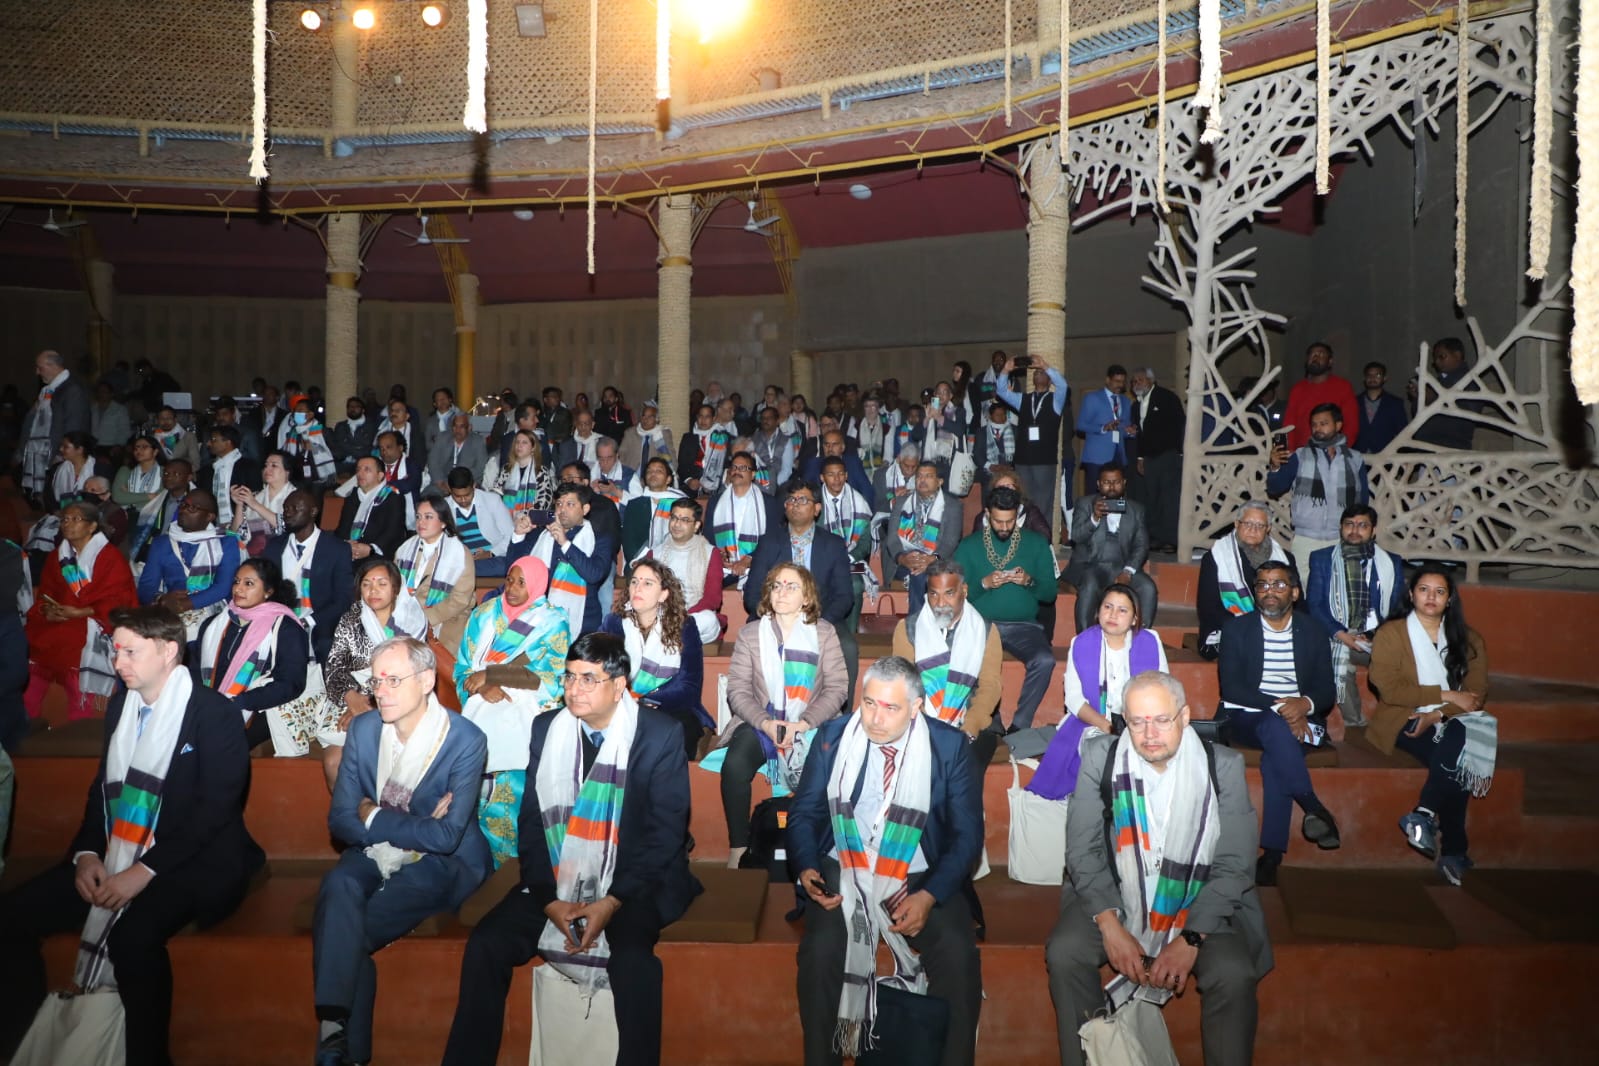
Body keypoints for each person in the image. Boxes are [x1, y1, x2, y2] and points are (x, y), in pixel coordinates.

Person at [0, 604, 264, 1066]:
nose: (118, 663)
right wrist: (85, 854)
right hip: (116, 850)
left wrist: (143, 871)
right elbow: (102, 791)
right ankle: (22, 1047)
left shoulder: (214, 713)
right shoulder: (123, 703)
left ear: (168, 652)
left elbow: (215, 810)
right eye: (115, 651)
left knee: (133, 937)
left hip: (194, 860)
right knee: (10, 916)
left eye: (130, 652)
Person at [440, 632, 702, 1066]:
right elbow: (532, 823)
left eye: (588, 679)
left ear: (619, 687)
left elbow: (665, 835)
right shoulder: (549, 728)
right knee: (487, 943)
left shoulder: (658, 734)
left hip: (633, 880)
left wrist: (611, 902)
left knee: (633, 961)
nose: (573, 690)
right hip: (559, 876)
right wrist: (548, 901)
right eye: (568, 678)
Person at [1045, 671, 1272, 1066]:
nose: (1150, 733)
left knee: (1233, 973)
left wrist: (1192, 939)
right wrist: (1109, 925)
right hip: (1117, 896)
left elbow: (1235, 864)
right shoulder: (1102, 757)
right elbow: (1082, 849)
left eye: (1161, 720)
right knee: (1065, 952)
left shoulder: (1223, 767)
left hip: (1198, 904)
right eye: (1138, 721)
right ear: (1125, 722)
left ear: (1184, 717)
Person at [791, 656, 984, 1066]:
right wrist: (807, 867)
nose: (875, 718)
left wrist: (930, 896)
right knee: (820, 950)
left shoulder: (948, 747)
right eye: (869, 703)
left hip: (918, 873)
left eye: (890, 707)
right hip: (843, 864)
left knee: (957, 954)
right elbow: (804, 814)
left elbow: (968, 838)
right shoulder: (832, 735)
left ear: (916, 707)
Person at [311, 637, 489, 1066]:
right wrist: (419, 823)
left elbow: (446, 839)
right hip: (375, 850)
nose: (381, 691)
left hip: (444, 863)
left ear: (427, 680)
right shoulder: (366, 729)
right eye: (376, 681)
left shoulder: (464, 739)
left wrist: (374, 815)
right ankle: (335, 1031)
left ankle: (338, 1047)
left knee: (344, 931)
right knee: (339, 884)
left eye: (394, 679)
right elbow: (340, 820)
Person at [714, 563, 848, 868]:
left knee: (826, 767)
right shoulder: (750, 634)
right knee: (734, 764)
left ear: (806, 597)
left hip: (812, 723)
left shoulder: (825, 633)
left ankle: (823, 847)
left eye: (791, 586)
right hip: (762, 721)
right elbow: (737, 691)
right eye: (776, 585)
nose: (781, 591)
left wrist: (802, 724)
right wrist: (765, 722)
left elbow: (838, 688)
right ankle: (739, 846)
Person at [1216, 560, 1341, 885]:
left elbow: (1326, 689)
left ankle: (1271, 856)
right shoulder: (1236, 629)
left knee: (1277, 756)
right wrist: (1285, 707)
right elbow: (1233, 687)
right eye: (1263, 585)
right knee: (1276, 728)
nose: (1269, 591)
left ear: (1295, 592)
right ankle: (1313, 806)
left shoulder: (1312, 631)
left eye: (1279, 584)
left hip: (1298, 718)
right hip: (1246, 714)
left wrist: (1304, 705)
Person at [1368, 564, 1492, 885]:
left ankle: (1423, 815)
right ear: (1411, 595)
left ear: (1450, 599)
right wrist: (1447, 695)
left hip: (1451, 721)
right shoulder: (1391, 633)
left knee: (1457, 743)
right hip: (1403, 717)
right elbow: (1389, 688)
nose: (1431, 597)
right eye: (1424, 590)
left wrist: (1437, 714)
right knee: (1459, 754)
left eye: (1439, 591)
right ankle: (1454, 851)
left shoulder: (1470, 640)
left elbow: (1475, 698)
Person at [453, 556, 570, 867]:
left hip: (525, 711)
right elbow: (463, 668)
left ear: (536, 585)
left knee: (512, 787)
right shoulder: (484, 614)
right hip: (480, 708)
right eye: (509, 580)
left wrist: (493, 676)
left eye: (522, 583)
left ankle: (516, 866)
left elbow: (551, 678)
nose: (513, 589)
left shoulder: (552, 621)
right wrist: (478, 685)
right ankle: (476, 862)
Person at [1028, 585, 1170, 801]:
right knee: (1105, 750)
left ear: (1134, 618)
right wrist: (1107, 726)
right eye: (1108, 607)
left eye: (1122, 610)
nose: (1113, 615)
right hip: (1094, 721)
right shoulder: (1082, 643)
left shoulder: (1150, 641)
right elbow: (1074, 700)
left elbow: (1164, 690)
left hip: (1143, 721)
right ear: (1098, 611)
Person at [318, 559, 430, 791]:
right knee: (332, 761)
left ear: (396, 588)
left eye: (381, 583)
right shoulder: (351, 620)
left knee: (380, 761)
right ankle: (350, 823)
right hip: (351, 698)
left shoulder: (412, 622)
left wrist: (368, 703)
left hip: (399, 703)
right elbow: (334, 667)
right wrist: (352, 699)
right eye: (367, 584)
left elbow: (410, 677)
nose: (373, 590)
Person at [953, 486, 1057, 733]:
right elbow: (955, 595)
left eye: (1010, 521)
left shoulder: (1036, 543)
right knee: (970, 659)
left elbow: (1050, 593)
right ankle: (990, 719)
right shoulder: (969, 546)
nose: (1004, 527)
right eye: (998, 521)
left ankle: (1020, 725)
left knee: (1045, 660)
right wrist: (983, 584)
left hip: (1024, 626)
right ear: (987, 514)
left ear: (1018, 514)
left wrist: (1029, 581)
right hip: (982, 624)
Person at [23, 499, 137, 724]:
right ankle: (23, 727)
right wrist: (48, 611)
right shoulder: (57, 556)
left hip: (95, 620)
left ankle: (81, 724)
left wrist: (80, 611)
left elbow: (120, 599)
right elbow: (46, 593)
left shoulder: (110, 557)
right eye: (65, 519)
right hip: (61, 619)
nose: (68, 524)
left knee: (70, 646)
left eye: (76, 519)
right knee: (33, 648)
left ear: (92, 526)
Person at [743, 478, 857, 698]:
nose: (795, 504)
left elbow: (844, 596)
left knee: (848, 648)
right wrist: (778, 619)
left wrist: (816, 622)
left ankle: (840, 721)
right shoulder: (769, 542)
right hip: (775, 616)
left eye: (803, 499)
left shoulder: (833, 544)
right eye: (791, 499)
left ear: (817, 509)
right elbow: (752, 595)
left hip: (820, 617)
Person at [891, 560, 1003, 774]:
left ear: (964, 591)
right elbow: (903, 686)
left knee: (963, 770)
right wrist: (929, 729)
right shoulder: (908, 629)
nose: (941, 603)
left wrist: (969, 727)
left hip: (971, 722)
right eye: (934, 594)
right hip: (919, 721)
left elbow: (990, 687)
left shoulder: (986, 631)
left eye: (949, 593)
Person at [193, 556, 313, 754]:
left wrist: (239, 702)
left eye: (249, 584)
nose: (239, 589)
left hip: (258, 709)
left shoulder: (285, 629)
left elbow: (291, 684)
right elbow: (195, 672)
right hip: (210, 705)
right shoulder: (214, 624)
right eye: (236, 582)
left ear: (269, 591)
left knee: (216, 745)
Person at [602, 558, 713, 761]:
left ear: (664, 594)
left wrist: (646, 700)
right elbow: (604, 673)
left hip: (672, 707)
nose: (638, 588)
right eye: (634, 582)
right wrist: (630, 701)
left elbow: (689, 687)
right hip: (622, 704)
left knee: (670, 735)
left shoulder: (684, 627)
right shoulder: (614, 623)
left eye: (647, 583)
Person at [1305, 504, 1405, 726]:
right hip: (1338, 636)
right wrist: (1341, 634)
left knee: (1398, 662)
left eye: (1362, 525)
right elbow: (1315, 605)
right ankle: (1355, 723)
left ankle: (1394, 719)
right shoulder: (1322, 559)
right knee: (1339, 665)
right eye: (1349, 524)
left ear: (1373, 530)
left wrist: (1373, 636)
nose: (1354, 530)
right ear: (1341, 528)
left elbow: (1398, 608)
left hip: (1378, 637)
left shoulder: (1391, 563)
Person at [1267, 402, 1369, 576]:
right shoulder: (1300, 455)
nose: (1318, 428)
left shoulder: (1355, 459)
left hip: (1342, 538)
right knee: (1304, 591)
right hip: (1306, 538)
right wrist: (1275, 467)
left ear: (1338, 425)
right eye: (1314, 424)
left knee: (1339, 591)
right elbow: (1275, 488)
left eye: (1324, 423)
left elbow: (1363, 501)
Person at [1064, 461, 1158, 634]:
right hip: (1090, 565)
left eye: (1116, 482)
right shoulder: (1085, 504)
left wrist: (1128, 571)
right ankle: (1085, 638)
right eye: (1107, 483)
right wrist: (1094, 518)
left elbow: (1141, 545)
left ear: (1124, 483)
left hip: (1122, 566)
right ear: (1099, 484)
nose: (1112, 487)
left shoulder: (1136, 510)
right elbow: (1076, 536)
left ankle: (1140, 638)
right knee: (1090, 584)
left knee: (1148, 588)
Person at [513, 481, 615, 637]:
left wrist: (565, 543)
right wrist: (519, 536)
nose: (562, 510)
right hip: (540, 619)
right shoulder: (541, 536)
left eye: (570, 504)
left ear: (585, 509)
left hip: (583, 623)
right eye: (559, 504)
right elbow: (514, 571)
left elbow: (594, 574)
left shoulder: (599, 539)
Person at [1196, 500, 1294, 660]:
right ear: (1236, 524)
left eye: (1259, 525)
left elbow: (1296, 601)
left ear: (1268, 529)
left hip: (1276, 626)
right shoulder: (1216, 557)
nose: (1252, 530)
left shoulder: (1284, 559)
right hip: (1228, 629)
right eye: (1247, 523)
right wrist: (1254, 628)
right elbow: (1209, 608)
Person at [137, 488, 240, 638]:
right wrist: (162, 599)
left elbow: (224, 587)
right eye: (183, 505)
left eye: (192, 508)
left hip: (215, 610)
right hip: (171, 612)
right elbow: (146, 588)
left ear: (209, 516)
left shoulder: (225, 541)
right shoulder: (162, 543)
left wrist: (186, 604)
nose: (184, 510)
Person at [993, 355, 1074, 519]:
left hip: (1044, 460)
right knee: (1024, 501)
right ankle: (1026, 537)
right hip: (1023, 459)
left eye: (1042, 373)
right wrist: (1006, 370)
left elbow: (1063, 385)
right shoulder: (1023, 399)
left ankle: (1043, 540)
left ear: (1050, 380)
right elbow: (1001, 391)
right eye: (1036, 373)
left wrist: (1045, 365)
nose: (1038, 374)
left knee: (1043, 503)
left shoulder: (1055, 400)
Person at [394, 497, 478, 652]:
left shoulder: (459, 553)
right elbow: (395, 587)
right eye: (418, 517)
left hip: (447, 618)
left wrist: (423, 619)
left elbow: (459, 600)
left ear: (443, 522)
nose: (421, 522)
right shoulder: (405, 549)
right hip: (407, 614)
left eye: (428, 517)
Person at [884, 460, 963, 615]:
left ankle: (915, 625)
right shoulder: (901, 502)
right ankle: (918, 626)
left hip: (938, 561)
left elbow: (950, 541)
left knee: (920, 573)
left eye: (928, 476)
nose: (922, 480)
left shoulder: (952, 506)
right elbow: (892, 539)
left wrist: (932, 558)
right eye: (919, 476)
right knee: (918, 571)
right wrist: (902, 558)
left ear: (939, 481)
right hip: (903, 561)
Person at [17, 349, 92, 505]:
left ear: (52, 365)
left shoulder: (72, 389)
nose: (37, 372)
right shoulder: (48, 390)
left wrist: (62, 453)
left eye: (40, 367)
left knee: (61, 500)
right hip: (43, 454)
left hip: (60, 455)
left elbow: (74, 426)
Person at [648, 497, 725, 645]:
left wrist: (683, 617)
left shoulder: (710, 553)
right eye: (674, 518)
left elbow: (712, 599)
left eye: (684, 520)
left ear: (696, 525)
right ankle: (670, 638)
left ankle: (666, 639)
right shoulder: (654, 554)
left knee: (708, 620)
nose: (677, 524)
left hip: (694, 616)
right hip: (663, 615)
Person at [1127, 366, 1185, 552]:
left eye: (1140, 380)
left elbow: (1180, 425)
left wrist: (1180, 452)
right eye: (1134, 381)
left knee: (1169, 499)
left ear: (1151, 381)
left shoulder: (1167, 397)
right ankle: (1155, 537)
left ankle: (1170, 540)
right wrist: (1140, 458)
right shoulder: (1135, 406)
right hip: (1149, 459)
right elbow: (1140, 436)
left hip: (1168, 455)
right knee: (1151, 498)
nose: (1137, 384)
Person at [706, 450, 780, 589]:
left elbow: (773, 539)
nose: (737, 471)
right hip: (724, 567)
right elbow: (708, 536)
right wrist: (720, 555)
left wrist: (749, 559)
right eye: (733, 467)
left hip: (758, 565)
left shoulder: (767, 503)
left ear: (753, 475)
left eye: (743, 468)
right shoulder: (716, 502)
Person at [1282, 341, 1361, 451]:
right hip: (1301, 455)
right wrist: (1289, 453)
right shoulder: (1297, 389)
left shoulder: (1343, 387)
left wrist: (1339, 450)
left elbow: (1351, 425)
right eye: (1312, 354)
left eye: (1321, 354)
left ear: (1330, 362)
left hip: (1331, 454)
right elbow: (1289, 425)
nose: (1315, 357)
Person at [444, 466, 514, 578]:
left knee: (504, 565)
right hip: (461, 561)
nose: (463, 500)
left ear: (474, 486)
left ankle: (464, 572)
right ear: (450, 490)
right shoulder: (444, 507)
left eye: (467, 495)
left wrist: (490, 553)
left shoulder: (492, 501)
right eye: (457, 496)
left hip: (493, 558)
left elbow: (511, 536)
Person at [335, 455, 409, 560]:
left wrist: (371, 549)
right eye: (358, 469)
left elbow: (393, 531)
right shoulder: (353, 496)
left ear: (380, 476)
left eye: (367, 470)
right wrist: (346, 544)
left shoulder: (393, 497)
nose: (360, 473)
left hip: (377, 554)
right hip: (350, 551)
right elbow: (342, 528)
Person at [125, 457, 194, 566]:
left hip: (181, 555)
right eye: (166, 474)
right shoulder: (158, 501)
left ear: (189, 477)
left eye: (176, 474)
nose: (169, 477)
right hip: (155, 553)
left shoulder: (197, 502)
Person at [230, 448, 295, 556]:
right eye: (266, 465)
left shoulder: (296, 496)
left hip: (285, 553)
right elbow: (237, 534)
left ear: (287, 472)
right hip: (255, 556)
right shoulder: (255, 496)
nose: (267, 469)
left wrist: (254, 504)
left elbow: (286, 526)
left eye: (274, 465)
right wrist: (239, 504)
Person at [1076, 364, 1131, 490]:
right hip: (1096, 457)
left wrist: (1129, 432)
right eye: (1117, 381)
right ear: (1107, 380)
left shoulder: (1126, 401)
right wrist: (1103, 428)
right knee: (1094, 496)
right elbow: (1081, 425)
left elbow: (1123, 427)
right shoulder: (1092, 398)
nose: (1120, 385)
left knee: (1117, 496)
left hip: (1118, 455)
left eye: (1123, 382)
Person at [621, 456, 686, 561]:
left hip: (676, 560)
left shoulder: (681, 503)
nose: (653, 474)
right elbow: (629, 541)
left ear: (668, 479)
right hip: (641, 561)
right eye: (649, 471)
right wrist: (639, 562)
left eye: (658, 471)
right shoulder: (635, 505)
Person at [199, 424, 262, 528]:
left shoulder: (249, 466)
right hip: (213, 525)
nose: (208, 443)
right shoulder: (207, 470)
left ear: (228, 442)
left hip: (243, 523)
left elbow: (257, 496)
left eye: (213, 439)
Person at [482, 428, 553, 516]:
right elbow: (497, 493)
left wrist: (523, 515)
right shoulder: (507, 469)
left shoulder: (541, 471)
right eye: (517, 442)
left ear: (533, 447)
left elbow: (544, 501)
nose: (519, 445)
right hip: (506, 517)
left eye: (524, 442)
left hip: (531, 520)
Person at [801, 427, 875, 506]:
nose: (830, 448)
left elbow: (867, 491)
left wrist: (864, 516)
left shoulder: (853, 463)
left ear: (842, 447)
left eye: (834, 444)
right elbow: (803, 491)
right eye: (827, 444)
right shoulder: (813, 464)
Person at [427, 412, 488, 496]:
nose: (457, 430)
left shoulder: (478, 441)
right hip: (442, 483)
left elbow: (480, 467)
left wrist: (458, 484)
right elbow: (433, 462)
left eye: (462, 426)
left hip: (466, 485)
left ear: (469, 428)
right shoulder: (442, 437)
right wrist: (440, 482)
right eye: (455, 426)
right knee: (426, 499)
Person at [677, 403, 731, 496]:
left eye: (707, 416)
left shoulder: (721, 437)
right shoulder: (688, 438)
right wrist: (689, 480)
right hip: (692, 485)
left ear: (713, 418)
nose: (703, 420)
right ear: (697, 418)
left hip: (716, 485)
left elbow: (726, 462)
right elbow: (682, 464)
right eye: (701, 416)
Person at [1355, 360, 1408, 454]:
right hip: (1358, 456)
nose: (1372, 378)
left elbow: (1403, 433)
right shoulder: (1354, 401)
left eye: (1377, 375)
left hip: (1385, 457)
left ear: (1385, 378)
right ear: (1364, 378)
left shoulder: (1395, 403)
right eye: (1369, 375)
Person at [46, 429, 99, 511]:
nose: (60, 449)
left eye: (65, 447)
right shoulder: (57, 468)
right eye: (61, 446)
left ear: (80, 450)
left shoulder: (98, 469)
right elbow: (49, 498)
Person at [112, 433, 165, 515]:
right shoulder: (125, 470)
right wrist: (149, 496)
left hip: (154, 516)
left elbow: (160, 498)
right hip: (127, 515)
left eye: (144, 447)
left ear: (155, 452)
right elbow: (117, 497)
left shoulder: (165, 471)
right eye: (136, 448)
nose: (138, 451)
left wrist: (129, 496)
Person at [619, 398, 676, 473]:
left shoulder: (663, 434)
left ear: (657, 419)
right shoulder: (630, 433)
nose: (645, 420)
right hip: (631, 475)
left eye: (650, 417)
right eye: (644, 416)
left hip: (654, 476)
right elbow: (621, 454)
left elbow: (671, 458)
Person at [329, 396, 376, 474]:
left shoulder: (370, 425)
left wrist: (346, 446)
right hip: (342, 462)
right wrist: (357, 448)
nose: (353, 409)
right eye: (350, 406)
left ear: (363, 410)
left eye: (356, 406)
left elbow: (366, 448)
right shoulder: (341, 426)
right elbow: (338, 447)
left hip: (362, 463)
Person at [151, 405, 202, 471]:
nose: (165, 421)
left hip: (184, 475)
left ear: (175, 419)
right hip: (160, 475)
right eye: (162, 419)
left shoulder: (188, 437)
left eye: (169, 418)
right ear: (157, 420)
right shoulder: (153, 438)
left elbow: (195, 464)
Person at [90, 380, 132, 456]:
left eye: (104, 392)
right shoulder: (93, 408)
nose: (101, 394)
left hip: (112, 447)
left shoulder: (120, 409)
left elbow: (124, 430)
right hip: (94, 446)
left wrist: (118, 445)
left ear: (111, 394)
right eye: (99, 391)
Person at [422, 386, 464, 455]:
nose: (442, 401)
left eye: (444, 398)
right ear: (434, 404)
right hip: (436, 456)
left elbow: (463, 439)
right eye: (439, 399)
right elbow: (427, 444)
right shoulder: (430, 421)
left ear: (450, 400)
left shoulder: (458, 418)